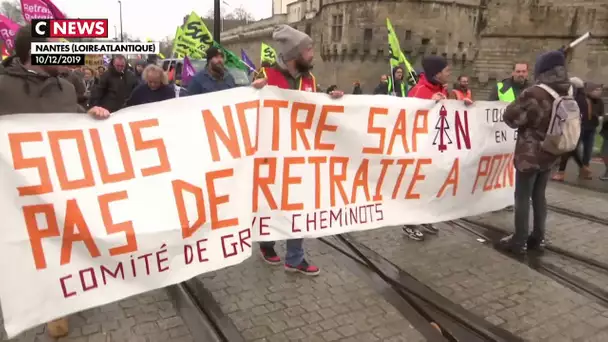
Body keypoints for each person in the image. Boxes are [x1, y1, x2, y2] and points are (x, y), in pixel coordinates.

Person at [0, 24, 109, 338]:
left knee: (60, 247)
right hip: (13, 197)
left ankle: (58, 305)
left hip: (57, 192)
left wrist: (91, 116)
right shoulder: (3, 87)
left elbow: (71, 117)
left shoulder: (66, 87)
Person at [252, 24, 344, 276]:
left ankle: (294, 258)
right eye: (308, 49)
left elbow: (313, 107)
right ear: (294, 54)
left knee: (300, 205)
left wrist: (331, 98)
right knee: (271, 203)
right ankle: (267, 243)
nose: (312, 54)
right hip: (271, 154)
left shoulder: (309, 79)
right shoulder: (266, 76)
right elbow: (246, 108)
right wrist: (252, 91)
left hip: (301, 153)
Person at [499, 50, 573, 255]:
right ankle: (538, 237)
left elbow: (510, 118)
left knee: (522, 196)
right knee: (539, 195)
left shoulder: (535, 93)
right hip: (550, 151)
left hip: (529, 153)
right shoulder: (567, 90)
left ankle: (519, 240)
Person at [402, 55, 451, 241]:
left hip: (435, 147)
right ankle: (409, 223)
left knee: (430, 185)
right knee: (416, 186)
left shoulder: (441, 89)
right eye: (446, 70)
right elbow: (408, 117)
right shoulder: (419, 90)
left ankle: (425, 217)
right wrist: (430, 103)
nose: (449, 73)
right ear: (437, 73)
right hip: (418, 148)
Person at [552, 77, 587, 181]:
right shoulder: (581, 98)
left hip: (573, 127)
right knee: (572, 149)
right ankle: (583, 168)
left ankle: (561, 172)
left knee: (567, 149)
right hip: (577, 126)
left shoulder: (576, 99)